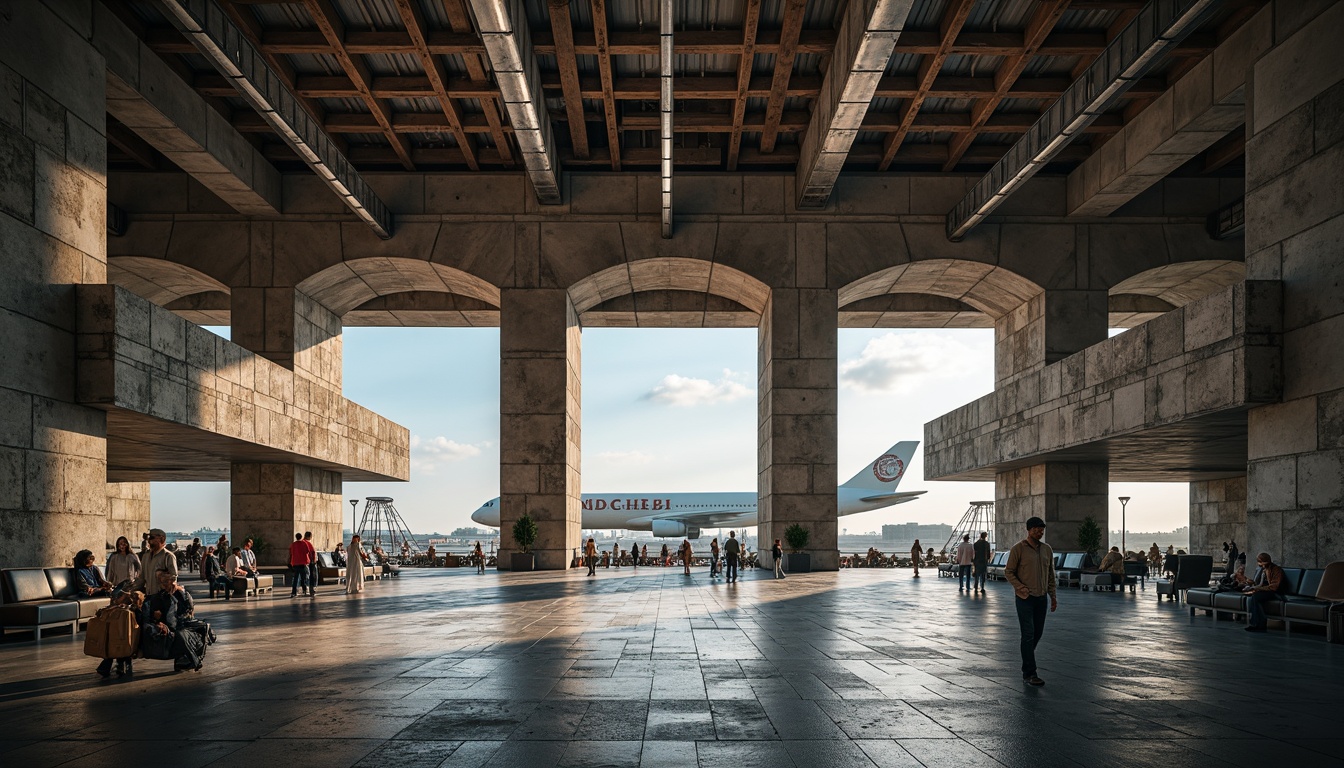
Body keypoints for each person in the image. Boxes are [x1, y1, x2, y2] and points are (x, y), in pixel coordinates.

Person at [1004, 516, 1057, 687]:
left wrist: (1053, 596)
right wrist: (1020, 587)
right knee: (1028, 634)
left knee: (1037, 633)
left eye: (1042, 530)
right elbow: (1009, 572)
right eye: (1036, 530)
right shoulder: (1018, 549)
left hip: (1041, 598)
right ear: (1029, 530)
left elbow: (1050, 574)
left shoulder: (1047, 549)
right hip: (1024, 598)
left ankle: (1027, 658)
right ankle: (1030, 673)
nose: (1040, 533)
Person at [1244, 552, 1290, 632]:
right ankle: (1257, 623)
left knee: (1256, 596)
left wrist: (1259, 589)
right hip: (1267, 590)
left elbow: (1274, 587)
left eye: (1262, 562)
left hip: (1277, 593)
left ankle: (1259, 624)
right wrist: (1252, 585)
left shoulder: (1276, 570)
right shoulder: (1263, 570)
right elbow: (1259, 583)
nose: (1260, 564)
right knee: (1254, 596)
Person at [131, 529, 178, 596]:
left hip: (163, 597)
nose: (150, 541)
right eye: (149, 538)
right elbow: (142, 578)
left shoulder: (168, 556)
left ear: (162, 539)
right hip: (149, 596)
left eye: (152, 538)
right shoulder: (146, 556)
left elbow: (173, 577)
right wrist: (132, 589)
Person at [289, 533, 311, 598]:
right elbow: (307, 551)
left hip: (295, 563)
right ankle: (304, 590)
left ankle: (294, 592)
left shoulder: (293, 544)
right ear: (301, 537)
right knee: (303, 577)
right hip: (302, 563)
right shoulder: (304, 543)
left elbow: (291, 552)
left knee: (295, 578)